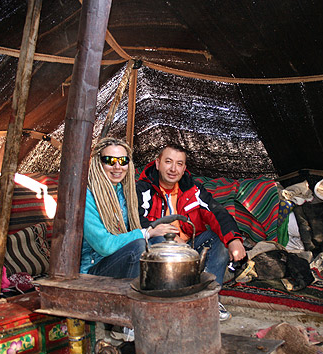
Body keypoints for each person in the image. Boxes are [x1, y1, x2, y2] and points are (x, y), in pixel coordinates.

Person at [136, 143, 247, 321]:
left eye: (179, 164)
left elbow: (216, 212)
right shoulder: (143, 188)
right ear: (157, 163)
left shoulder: (192, 190)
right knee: (155, 242)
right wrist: (170, 239)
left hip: (189, 244)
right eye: (168, 162)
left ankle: (208, 299)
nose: (173, 169)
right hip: (160, 248)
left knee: (220, 242)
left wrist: (234, 239)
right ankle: (173, 302)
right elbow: (137, 220)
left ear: (184, 168)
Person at [80, 137, 178, 278]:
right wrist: (146, 233)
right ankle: (135, 298)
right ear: (98, 163)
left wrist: (154, 233)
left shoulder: (124, 192)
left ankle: (162, 294)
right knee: (138, 247)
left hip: (118, 259)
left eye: (123, 161)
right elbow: (104, 246)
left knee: (159, 243)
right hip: (94, 269)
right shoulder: (88, 196)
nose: (117, 167)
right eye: (110, 161)